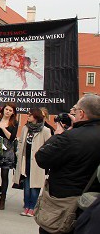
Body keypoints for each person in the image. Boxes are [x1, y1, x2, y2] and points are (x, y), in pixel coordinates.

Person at [35, 94, 100, 234]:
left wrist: (59, 135)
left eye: (75, 111)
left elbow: (41, 158)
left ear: (81, 114)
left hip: (63, 207)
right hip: (92, 207)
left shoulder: (70, 137)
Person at [12, 108, 50, 217]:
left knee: (35, 185)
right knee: (27, 184)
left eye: (30, 115)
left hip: (37, 162)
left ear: (36, 116)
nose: (28, 116)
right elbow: (20, 142)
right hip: (25, 160)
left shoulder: (45, 130)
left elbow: (48, 146)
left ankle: (32, 207)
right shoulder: (25, 128)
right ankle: (26, 206)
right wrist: (18, 152)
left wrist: (42, 157)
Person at [0, 102, 18, 210]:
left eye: (10, 110)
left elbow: (11, 137)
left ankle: (2, 199)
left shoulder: (14, 123)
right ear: (3, 110)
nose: (8, 112)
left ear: (13, 113)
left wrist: (3, 128)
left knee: (4, 175)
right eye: (6, 109)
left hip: (7, 150)